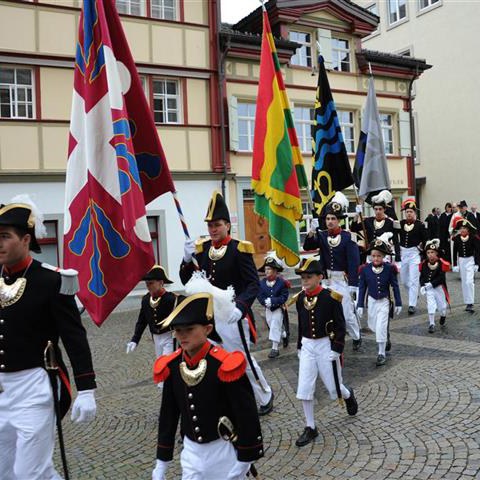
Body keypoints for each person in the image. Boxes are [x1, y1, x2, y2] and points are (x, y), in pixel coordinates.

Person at [0, 197, 97, 480]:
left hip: (35, 387)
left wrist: (87, 388)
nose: (0, 243)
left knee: (30, 471)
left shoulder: (53, 280)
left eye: (5, 236)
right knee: (4, 470)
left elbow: (74, 337)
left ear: (26, 239)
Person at [151, 292, 263, 480]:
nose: (183, 335)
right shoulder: (172, 365)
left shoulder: (225, 364)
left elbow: (246, 414)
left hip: (223, 449)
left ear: (208, 328)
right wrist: (161, 463)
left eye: (189, 329)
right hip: (191, 452)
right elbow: (169, 414)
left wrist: (244, 461)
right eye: (178, 330)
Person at [180, 191, 273, 415]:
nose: (213, 229)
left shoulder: (239, 249)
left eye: (217, 224)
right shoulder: (202, 251)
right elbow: (188, 280)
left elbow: (253, 284)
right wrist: (185, 260)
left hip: (233, 315)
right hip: (209, 317)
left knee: (241, 359)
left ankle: (264, 395)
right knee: (213, 359)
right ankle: (224, 400)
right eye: (210, 225)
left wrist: (241, 307)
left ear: (227, 225)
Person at [292, 258, 358, 447]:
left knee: (333, 388)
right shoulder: (300, 299)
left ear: (320, 277)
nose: (305, 281)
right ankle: (310, 426)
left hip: (325, 345)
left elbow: (340, 325)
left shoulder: (331, 298)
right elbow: (302, 324)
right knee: (304, 388)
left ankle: (348, 394)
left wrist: (337, 348)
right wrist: (299, 345)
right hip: (307, 346)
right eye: (303, 277)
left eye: (309, 277)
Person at [303, 192, 362, 351]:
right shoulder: (321, 236)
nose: (330, 222)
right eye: (328, 219)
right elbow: (307, 246)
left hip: (342, 281)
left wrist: (353, 285)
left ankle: (356, 336)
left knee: (347, 314)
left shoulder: (348, 237)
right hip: (326, 281)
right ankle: (335, 340)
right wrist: (311, 230)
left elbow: (353, 262)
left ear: (339, 220)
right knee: (328, 313)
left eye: (333, 219)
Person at [357, 235, 402, 367]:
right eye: (374, 256)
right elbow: (362, 287)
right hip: (371, 301)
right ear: (370, 256)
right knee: (374, 326)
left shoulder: (389, 269)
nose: (376, 258)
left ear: (383, 257)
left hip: (384, 301)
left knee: (381, 326)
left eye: (379, 256)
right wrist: (360, 304)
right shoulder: (365, 269)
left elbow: (395, 286)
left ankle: (381, 353)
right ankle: (385, 336)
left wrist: (398, 302)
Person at [126, 265, 180, 359]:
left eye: (151, 283)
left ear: (161, 282)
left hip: (170, 336)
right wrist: (135, 339)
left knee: (167, 363)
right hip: (155, 337)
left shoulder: (172, 299)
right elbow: (142, 321)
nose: (148, 286)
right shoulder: (146, 300)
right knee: (159, 363)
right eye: (147, 284)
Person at [353, 190, 400, 263]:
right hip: (370, 255)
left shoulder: (390, 222)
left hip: (385, 256)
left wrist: (398, 257)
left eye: (380, 209)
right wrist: (356, 214)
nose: (378, 211)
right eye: (376, 209)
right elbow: (354, 228)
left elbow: (396, 240)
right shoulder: (368, 221)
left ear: (384, 209)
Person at [398, 198, 428, 315]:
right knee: (404, 280)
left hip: (414, 254)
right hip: (403, 253)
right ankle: (414, 295)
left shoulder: (420, 225)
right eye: (407, 211)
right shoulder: (401, 224)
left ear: (415, 213)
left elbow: (426, 239)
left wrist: (422, 248)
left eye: (411, 211)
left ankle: (412, 304)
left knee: (414, 280)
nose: (408, 213)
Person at [257, 256, 290, 359]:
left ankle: (275, 349)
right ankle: (284, 335)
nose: (266, 271)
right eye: (266, 269)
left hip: (278, 309)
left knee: (275, 325)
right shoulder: (262, 283)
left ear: (275, 270)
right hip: (268, 309)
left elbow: (284, 296)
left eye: (269, 269)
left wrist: (273, 301)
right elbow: (259, 295)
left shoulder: (282, 283)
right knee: (272, 326)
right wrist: (264, 302)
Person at [420, 239, 450, 332]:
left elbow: (441, 278)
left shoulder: (441, 263)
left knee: (442, 307)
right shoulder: (424, 263)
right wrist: (422, 285)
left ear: (436, 253)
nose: (430, 254)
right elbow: (422, 276)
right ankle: (431, 323)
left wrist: (431, 284)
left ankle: (443, 315)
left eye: (432, 252)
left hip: (439, 288)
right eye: (428, 252)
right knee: (431, 305)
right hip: (429, 289)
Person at [452, 218, 480, 313]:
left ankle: (471, 302)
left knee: (469, 282)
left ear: (468, 229)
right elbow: (454, 251)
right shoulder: (456, 238)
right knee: (464, 282)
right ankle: (467, 302)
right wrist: (455, 264)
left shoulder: (473, 237)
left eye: (464, 228)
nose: (463, 229)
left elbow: (477, 251)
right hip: (461, 261)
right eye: (461, 228)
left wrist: (477, 263)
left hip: (470, 260)